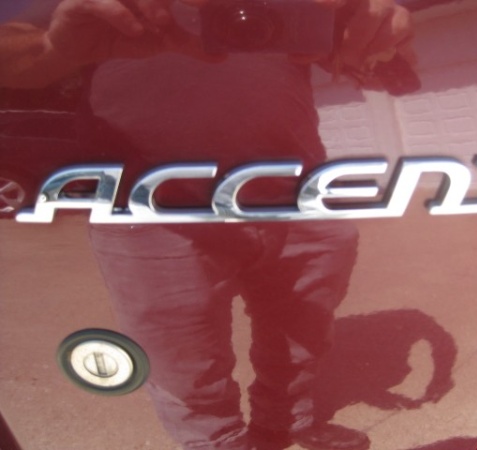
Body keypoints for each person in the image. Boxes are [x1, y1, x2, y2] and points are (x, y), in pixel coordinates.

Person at [0, 1, 416, 448]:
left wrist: (383, 39)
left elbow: (389, 70)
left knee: (303, 335)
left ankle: (286, 423)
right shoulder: (97, 5)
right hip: (150, 210)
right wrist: (53, 46)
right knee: (181, 361)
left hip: (295, 198)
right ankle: (216, 442)